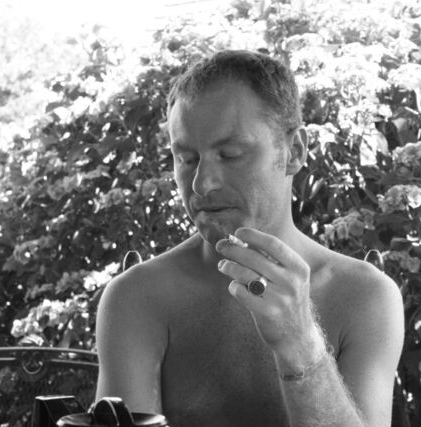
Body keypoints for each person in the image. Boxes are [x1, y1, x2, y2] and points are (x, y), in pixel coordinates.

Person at [95, 50, 404, 427]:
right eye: (187, 159)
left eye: (230, 155)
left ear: (294, 152)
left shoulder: (364, 296)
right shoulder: (138, 297)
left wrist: (301, 345)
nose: (202, 184)